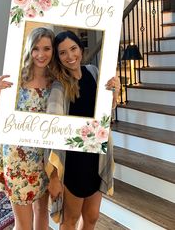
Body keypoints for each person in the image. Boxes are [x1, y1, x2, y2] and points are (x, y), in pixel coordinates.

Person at [45, 30, 120, 230]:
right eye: (62, 53)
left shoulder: (93, 72)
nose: (70, 56)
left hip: (97, 156)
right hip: (74, 161)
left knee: (92, 216)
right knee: (70, 219)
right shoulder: (59, 86)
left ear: (81, 48)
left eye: (73, 49)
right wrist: (53, 177)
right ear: (58, 57)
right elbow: (52, 133)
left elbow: (106, 112)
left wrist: (115, 92)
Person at [0, 27, 56, 230]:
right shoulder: (14, 78)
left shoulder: (57, 83)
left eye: (46, 48)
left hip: (44, 158)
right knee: (23, 224)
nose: (41, 54)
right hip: (17, 159)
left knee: (42, 213)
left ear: (53, 50)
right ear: (29, 50)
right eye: (35, 48)